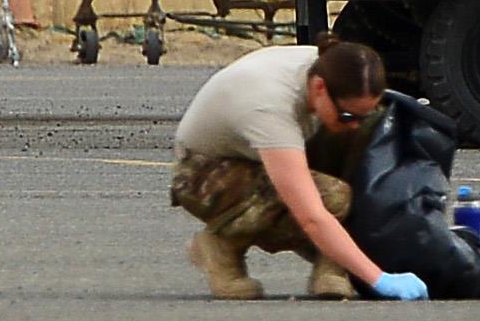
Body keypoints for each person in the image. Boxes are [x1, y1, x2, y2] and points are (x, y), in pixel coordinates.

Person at [167, 33, 433, 301]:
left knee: (364, 140)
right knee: (332, 196)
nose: (354, 124)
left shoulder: (330, 65)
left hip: (255, 150)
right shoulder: (269, 108)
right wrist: (378, 278)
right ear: (319, 88)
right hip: (203, 175)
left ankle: (331, 267)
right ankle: (220, 246)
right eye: (348, 116)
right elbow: (311, 216)